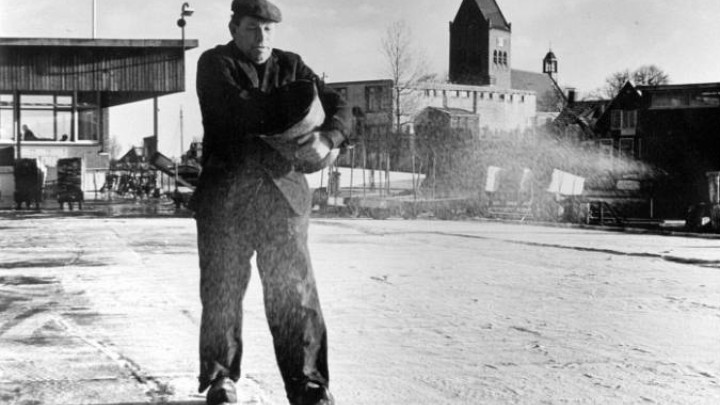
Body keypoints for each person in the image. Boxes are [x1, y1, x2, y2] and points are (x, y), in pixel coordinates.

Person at [193, 1, 348, 404]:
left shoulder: (292, 65)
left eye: (268, 30)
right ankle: (220, 380)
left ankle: (309, 384)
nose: (261, 38)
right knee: (223, 291)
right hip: (228, 200)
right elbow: (240, 111)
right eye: (251, 29)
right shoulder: (215, 65)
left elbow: (343, 107)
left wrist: (328, 137)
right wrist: (300, 109)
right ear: (234, 28)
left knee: (294, 294)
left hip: (283, 201)